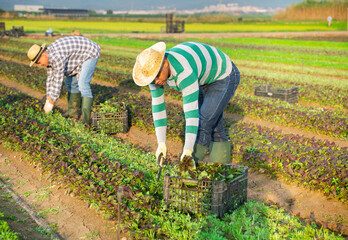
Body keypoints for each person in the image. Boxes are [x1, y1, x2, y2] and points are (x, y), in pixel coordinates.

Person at [132, 42, 240, 165]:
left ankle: (191, 167)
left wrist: (188, 151)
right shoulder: (154, 75)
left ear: (165, 63)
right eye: (152, 79)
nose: (156, 81)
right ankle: (220, 171)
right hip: (202, 76)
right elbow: (158, 107)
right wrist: (161, 143)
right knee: (213, 122)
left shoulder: (184, 73)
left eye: (157, 76)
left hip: (223, 74)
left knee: (204, 121)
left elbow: (191, 116)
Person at [27, 36, 100, 124]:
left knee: (82, 83)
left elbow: (57, 81)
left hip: (90, 52)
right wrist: (48, 98)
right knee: (70, 83)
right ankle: (72, 112)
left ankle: (85, 119)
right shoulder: (49, 58)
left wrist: (50, 103)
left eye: (38, 62)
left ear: (43, 55)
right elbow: (50, 80)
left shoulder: (57, 57)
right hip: (77, 56)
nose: (39, 65)